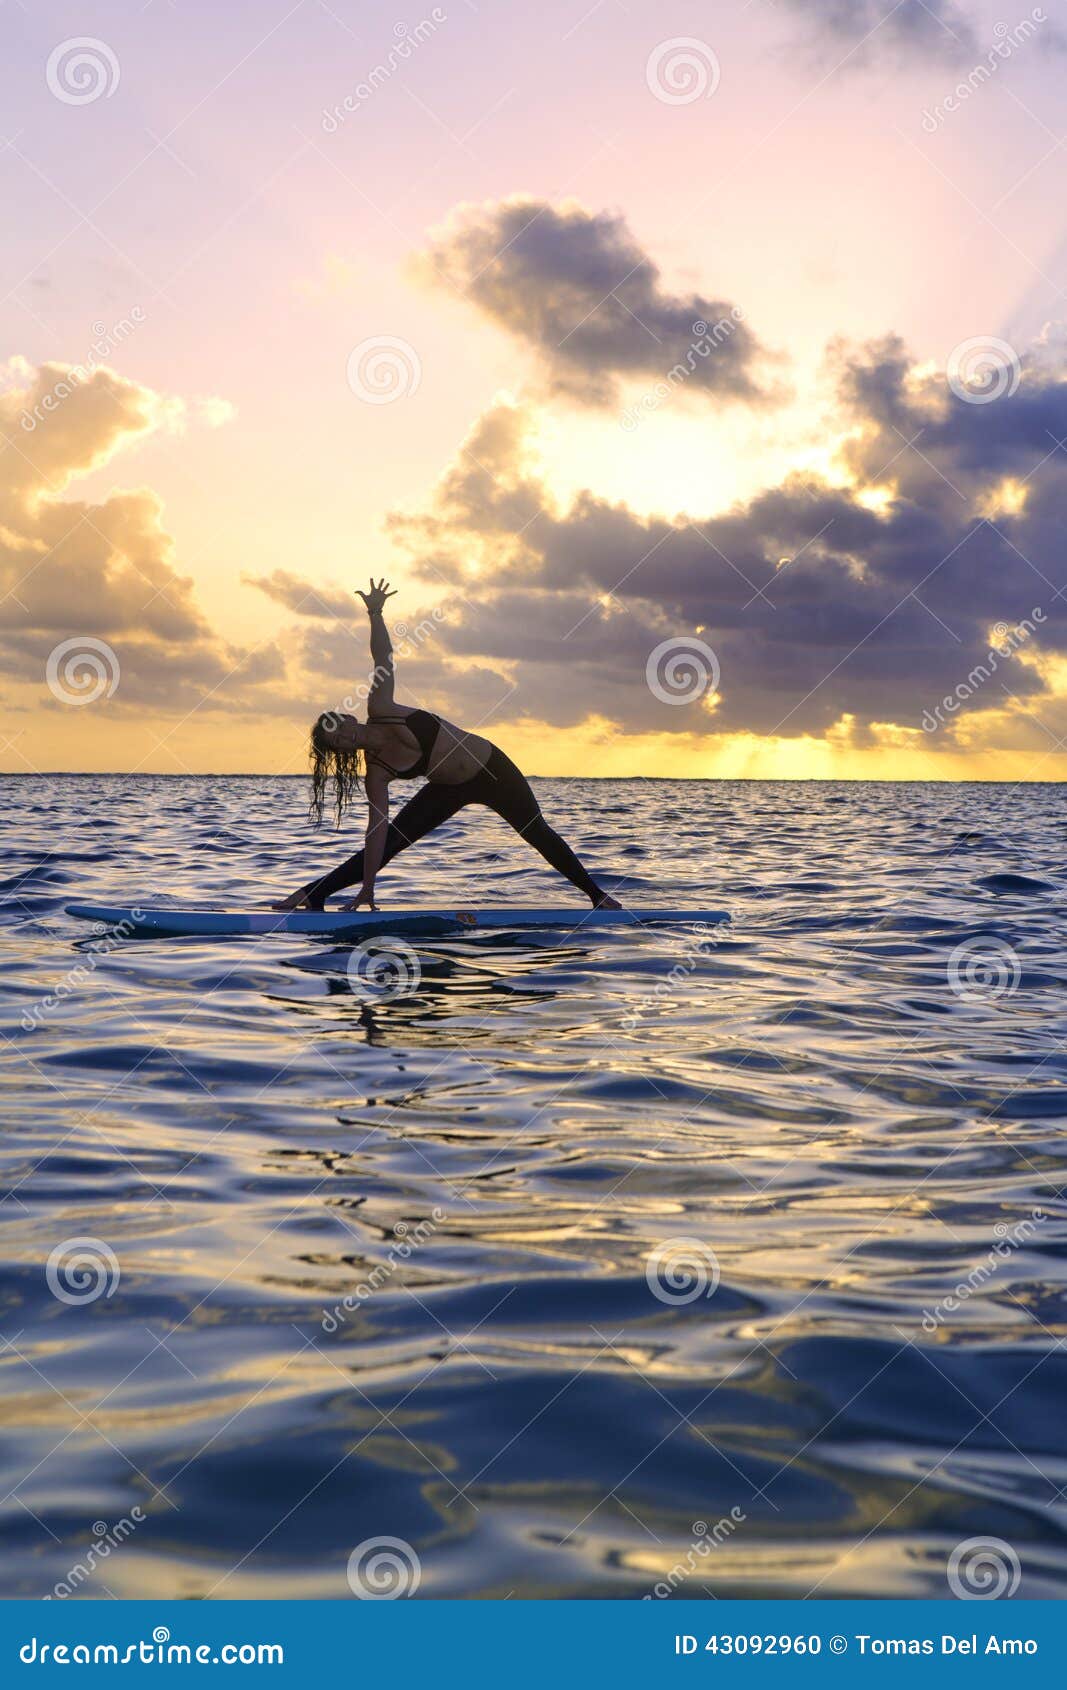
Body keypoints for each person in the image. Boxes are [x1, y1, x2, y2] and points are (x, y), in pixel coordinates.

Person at [274, 580, 621, 912]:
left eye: (341, 731)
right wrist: (368, 887)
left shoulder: (381, 708)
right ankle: (312, 894)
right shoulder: (376, 773)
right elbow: (375, 832)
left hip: (491, 769)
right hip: (448, 788)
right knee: (393, 840)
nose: (346, 740)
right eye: (338, 745)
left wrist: (375, 614)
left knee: (536, 831)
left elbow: (383, 658)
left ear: (348, 719)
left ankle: (597, 896)